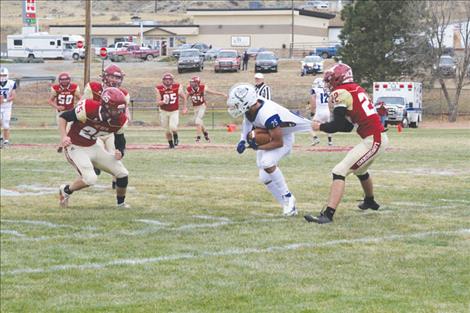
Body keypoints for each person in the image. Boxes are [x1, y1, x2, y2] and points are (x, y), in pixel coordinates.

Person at [305, 63, 389, 224]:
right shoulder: (355, 89)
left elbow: (338, 126)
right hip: (376, 138)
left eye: (330, 80)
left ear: (338, 78)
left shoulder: (341, 92)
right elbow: (347, 126)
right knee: (360, 170)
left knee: (339, 171)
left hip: (374, 139)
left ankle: (328, 215)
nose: (328, 84)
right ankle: (370, 201)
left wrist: (320, 126)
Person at [227, 83, 313, 216]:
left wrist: (257, 146)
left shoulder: (267, 114)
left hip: (284, 138)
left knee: (267, 163)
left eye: (238, 103)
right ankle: (287, 205)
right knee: (264, 177)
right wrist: (242, 140)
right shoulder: (251, 108)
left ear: (246, 102)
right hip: (272, 136)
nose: (235, 106)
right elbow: (248, 122)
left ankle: (288, 197)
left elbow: (278, 142)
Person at [58, 87, 130, 208]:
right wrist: (64, 136)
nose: (119, 113)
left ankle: (121, 204)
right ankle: (66, 190)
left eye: (121, 109)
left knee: (122, 173)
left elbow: (120, 139)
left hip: (93, 146)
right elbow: (63, 117)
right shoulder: (89, 108)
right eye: (116, 109)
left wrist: (121, 151)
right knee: (90, 179)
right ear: (106, 106)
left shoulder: (120, 120)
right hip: (76, 146)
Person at [82, 63, 130, 189]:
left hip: (110, 131)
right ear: (104, 77)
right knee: (97, 154)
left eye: (117, 78)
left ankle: (116, 181)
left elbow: (122, 115)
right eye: (112, 77)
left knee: (115, 155)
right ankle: (94, 167)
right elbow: (82, 107)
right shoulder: (93, 88)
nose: (115, 80)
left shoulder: (123, 94)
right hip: (94, 129)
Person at [185, 76, 227, 143]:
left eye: (193, 82)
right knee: (200, 122)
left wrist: (222, 94)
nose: (191, 84)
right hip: (195, 107)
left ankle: (198, 138)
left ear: (197, 83)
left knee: (198, 121)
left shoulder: (202, 87)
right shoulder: (189, 89)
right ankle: (206, 134)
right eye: (191, 82)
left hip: (202, 106)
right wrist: (185, 107)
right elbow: (185, 98)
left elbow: (212, 92)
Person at [155, 73, 187, 149]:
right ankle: (171, 144)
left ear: (172, 80)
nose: (168, 81)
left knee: (173, 127)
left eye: (169, 79)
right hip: (163, 111)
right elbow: (157, 103)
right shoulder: (159, 88)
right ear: (163, 81)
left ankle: (175, 136)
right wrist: (163, 102)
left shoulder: (177, 87)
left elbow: (184, 97)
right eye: (166, 79)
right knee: (167, 130)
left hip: (174, 111)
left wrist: (185, 107)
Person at [310, 77, 333, 146]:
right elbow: (330, 102)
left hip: (319, 111)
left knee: (310, 126)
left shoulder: (315, 90)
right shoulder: (327, 90)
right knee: (328, 126)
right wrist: (329, 110)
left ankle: (315, 138)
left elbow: (313, 102)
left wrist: (312, 111)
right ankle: (330, 142)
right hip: (327, 111)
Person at [0, 67, 17, 148]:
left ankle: (6, 141)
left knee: (6, 125)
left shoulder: (11, 83)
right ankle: (0, 139)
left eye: (4, 75)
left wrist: (4, 100)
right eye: (1, 75)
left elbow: (13, 96)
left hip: (7, 107)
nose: (2, 77)